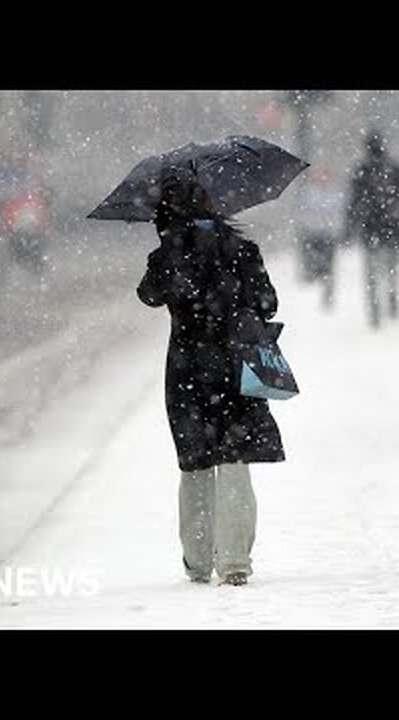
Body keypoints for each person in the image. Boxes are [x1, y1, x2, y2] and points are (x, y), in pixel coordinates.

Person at [137, 166, 286, 587]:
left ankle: (198, 561)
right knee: (234, 458)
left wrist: (168, 251)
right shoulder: (240, 248)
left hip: (186, 369)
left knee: (195, 461)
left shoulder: (170, 254)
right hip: (234, 365)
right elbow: (267, 303)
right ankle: (235, 560)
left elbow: (148, 296)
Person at [345, 130, 399, 328]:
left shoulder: (361, 171)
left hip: (370, 229)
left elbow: (353, 203)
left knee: (372, 273)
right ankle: (392, 298)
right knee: (390, 269)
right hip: (393, 228)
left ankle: (375, 308)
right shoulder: (394, 168)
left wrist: (349, 229)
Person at [296, 166, 344, 309]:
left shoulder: (334, 194)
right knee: (314, 263)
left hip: (328, 235)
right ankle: (314, 285)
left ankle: (327, 292)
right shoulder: (310, 194)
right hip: (313, 234)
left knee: (329, 265)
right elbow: (303, 212)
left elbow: (338, 212)